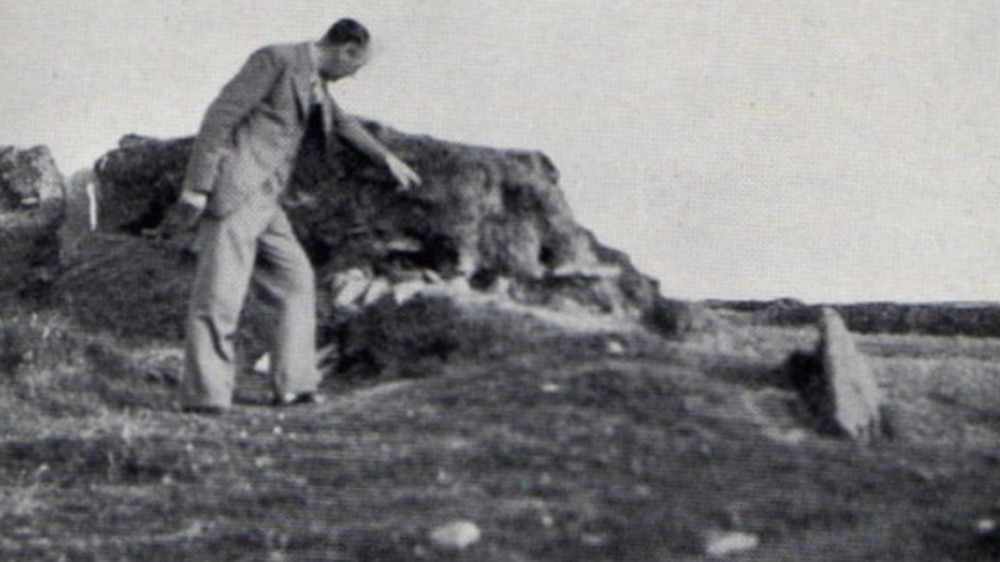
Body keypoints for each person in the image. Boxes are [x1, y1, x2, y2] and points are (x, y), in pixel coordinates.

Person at [166, 18, 421, 414]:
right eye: (357, 65)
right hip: (235, 193)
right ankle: (205, 397)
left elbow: (343, 124)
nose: (353, 75)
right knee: (219, 295)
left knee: (296, 281)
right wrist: (198, 187)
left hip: (268, 201)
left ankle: (294, 385)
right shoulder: (276, 59)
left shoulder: (315, 80)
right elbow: (220, 116)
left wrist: (386, 159)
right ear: (346, 49)